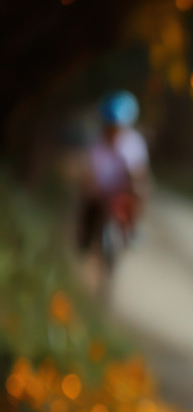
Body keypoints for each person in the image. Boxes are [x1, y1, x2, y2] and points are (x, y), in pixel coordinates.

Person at [77, 91, 149, 280]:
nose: (113, 132)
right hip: (100, 193)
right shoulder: (96, 145)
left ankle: (133, 228)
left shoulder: (133, 143)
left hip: (122, 192)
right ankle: (84, 242)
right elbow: (89, 173)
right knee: (87, 205)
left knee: (143, 190)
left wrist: (134, 184)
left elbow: (138, 172)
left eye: (116, 127)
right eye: (110, 127)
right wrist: (90, 187)